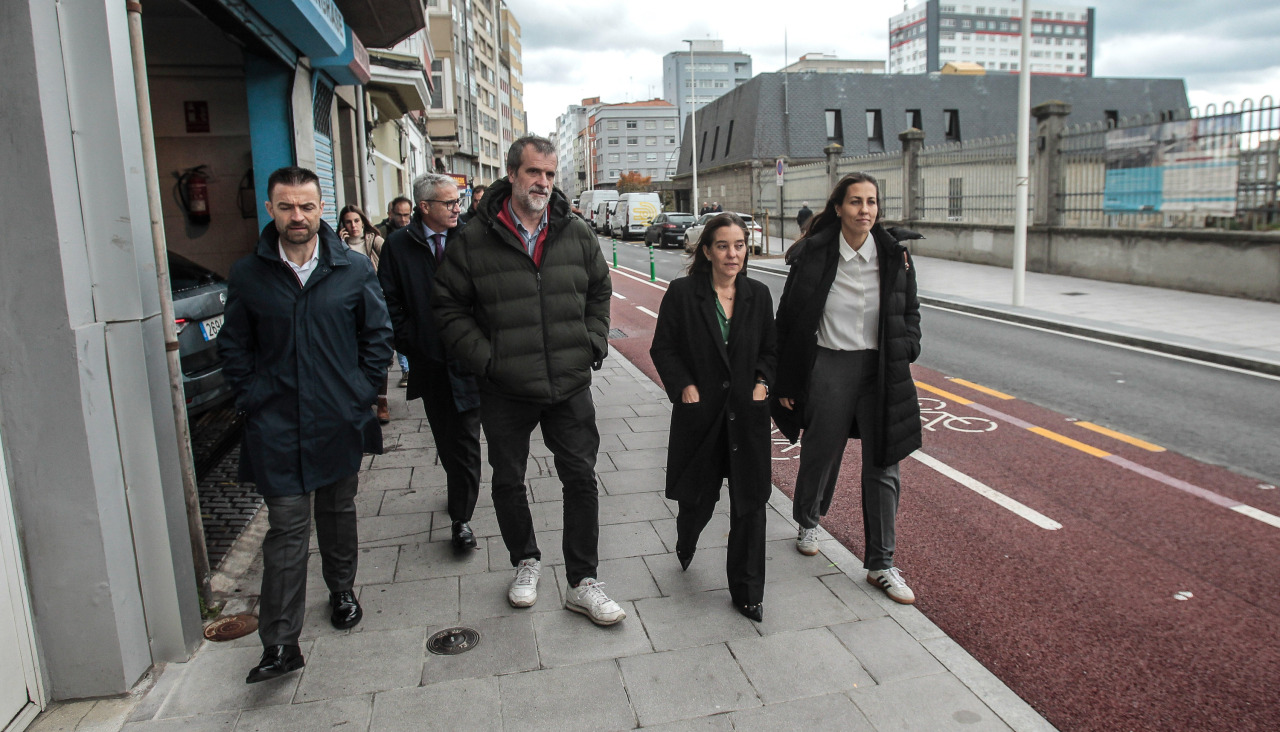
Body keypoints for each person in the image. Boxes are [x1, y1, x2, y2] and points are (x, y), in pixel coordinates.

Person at [433, 135, 623, 625]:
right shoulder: (475, 238)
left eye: (550, 174)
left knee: (580, 478)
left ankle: (583, 581)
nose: (543, 182)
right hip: (505, 388)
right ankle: (526, 561)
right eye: (534, 172)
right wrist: (489, 361)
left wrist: (593, 342)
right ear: (512, 174)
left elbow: (600, 289)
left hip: (568, 384)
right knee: (509, 480)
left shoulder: (575, 232)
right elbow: (448, 308)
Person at [219, 166, 393, 683]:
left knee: (337, 512)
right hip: (276, 427)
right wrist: (253, 398)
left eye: (308, 207)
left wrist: (359, 394)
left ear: (322, 209)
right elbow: (234, 347)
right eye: (287, 207)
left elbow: (377, 337)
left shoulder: (352, 269)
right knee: (287, 530)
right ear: (271, 209)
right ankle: (279, 643)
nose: (298, 216)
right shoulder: (249, 274)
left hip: (338, 421)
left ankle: (341, 588)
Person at [771, 172, 922, 605]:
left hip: (880, 367)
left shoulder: (895, 256)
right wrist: (787, 378)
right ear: (838, 207)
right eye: (855, 201)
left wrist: (907, 345)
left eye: (871, 202)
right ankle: (808, 519)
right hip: (829, 364)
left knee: (885, 461)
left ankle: (881, 563)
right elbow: (791, 319)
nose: (865, 210)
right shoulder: (815, 254)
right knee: (822, 450)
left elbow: (910, 309)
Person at [649, 213, 776, 622]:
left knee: (750, 505)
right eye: (723, 245)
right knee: (697, 500)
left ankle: (748, 591)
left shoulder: (759, 295)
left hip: (746, 416)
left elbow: (771, 352)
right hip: (700, 417)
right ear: (707, 250)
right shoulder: (684, 293)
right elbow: (663, 348)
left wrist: (763, 383)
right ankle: (687, 538)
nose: (732, 253)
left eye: (739, 245)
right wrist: (683, 385)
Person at [378, 173, 483, 551]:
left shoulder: (472, 237)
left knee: (467, 440)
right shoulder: (397, 246)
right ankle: (459, 490)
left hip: (470, 360)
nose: (458, 207)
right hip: (430, 362)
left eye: (459, 201)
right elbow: (388, 300)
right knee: (447, 438)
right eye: (449, 203)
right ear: (424, 207)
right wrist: (412, 340)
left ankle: (462, 519)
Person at [339, 204, 390, 423]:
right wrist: (340, 244)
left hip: (374, 300)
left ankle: (382, 400)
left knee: (378, 348)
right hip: (349, 304)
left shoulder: (374, 241)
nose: (353, 226)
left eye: (356, 221)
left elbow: (390, 264)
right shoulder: (336, 246)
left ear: (363, 221)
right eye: (348, 222)